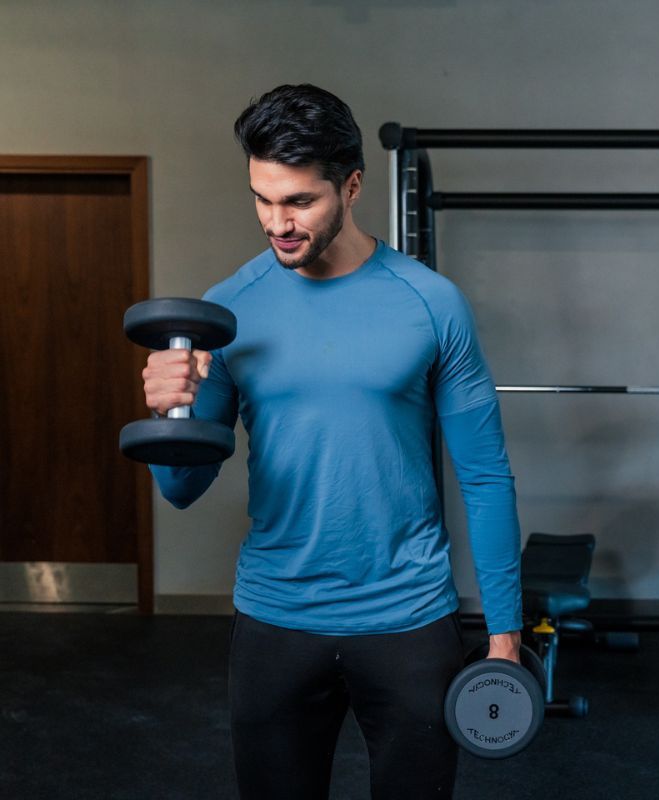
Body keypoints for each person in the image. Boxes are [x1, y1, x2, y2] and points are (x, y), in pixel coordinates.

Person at [142, 84, 522, 799]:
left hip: (408, 620)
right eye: (262, 199)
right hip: (276, 623)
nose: (277, 223)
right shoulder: (227, 312)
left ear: (351, 186)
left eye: (300, 202)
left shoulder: (430, 303)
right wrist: (170, 415)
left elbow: (486, 476)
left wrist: (503, 633)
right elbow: (182, 488)